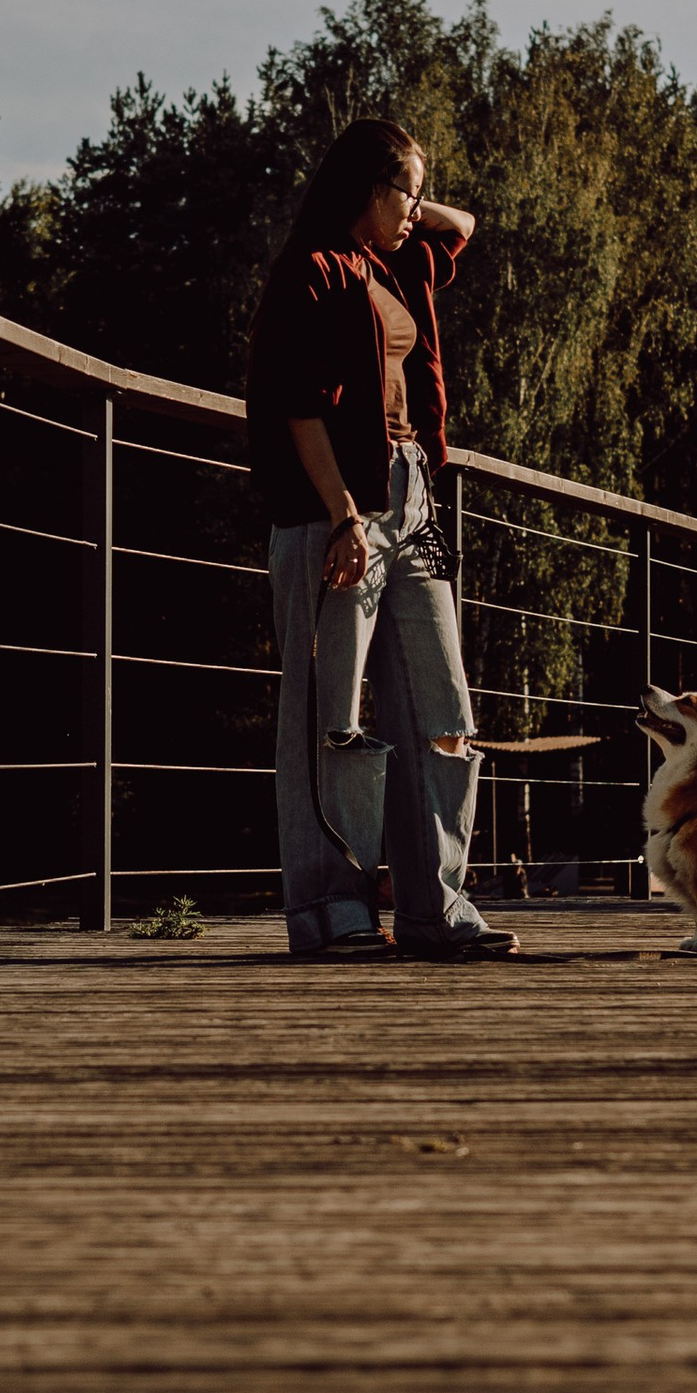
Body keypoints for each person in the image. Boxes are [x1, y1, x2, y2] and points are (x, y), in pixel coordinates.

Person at [245, 117, 518, 961]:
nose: (417, 207)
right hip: (339, 506)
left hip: (412, 497)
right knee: (331, 719)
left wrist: (413, 201)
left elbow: (463, 227)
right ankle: (333, 910)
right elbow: (298, 403)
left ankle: (436, 906)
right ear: (363, 187)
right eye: (403, 188)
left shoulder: (388, 260)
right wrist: (343, 516)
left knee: (444, 709)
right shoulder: (313, 269)